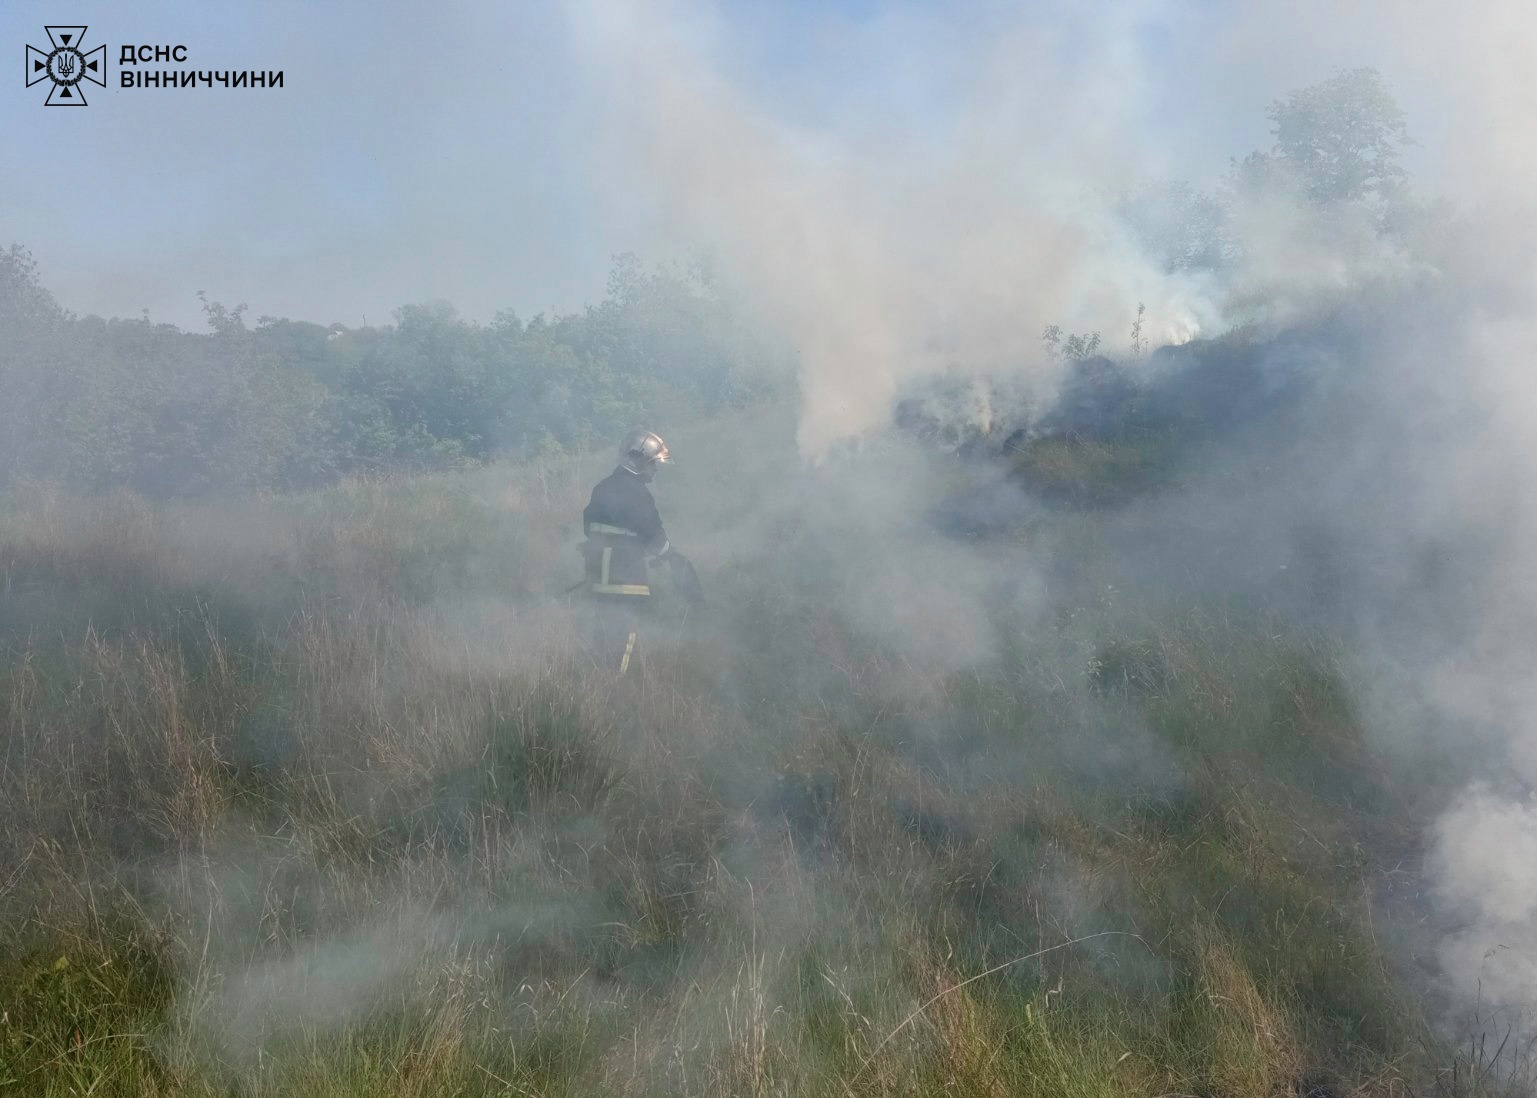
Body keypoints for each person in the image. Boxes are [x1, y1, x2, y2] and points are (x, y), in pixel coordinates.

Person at [581, 429, 675, 674]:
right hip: (627, 579)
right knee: (626, 636)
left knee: (603, 634)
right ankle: (614, 689)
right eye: (653, 464)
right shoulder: (638, 493)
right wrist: (665, 554)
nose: (655, 470)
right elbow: (655, 535)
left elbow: (589, 527)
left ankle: (594, 682)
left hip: (598, 577)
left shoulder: (602, 487)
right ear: (638, 460)